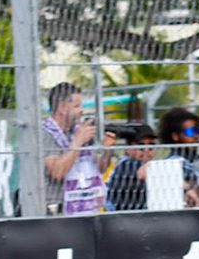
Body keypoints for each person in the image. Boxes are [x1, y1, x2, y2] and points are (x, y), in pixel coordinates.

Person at [42, 82, 105, 215]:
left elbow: (97, 169)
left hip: (84, 204)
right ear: (62, 108)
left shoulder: (76, 131)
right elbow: (57, 171)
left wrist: (108, 150)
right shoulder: (45, 133)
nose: (82, 110)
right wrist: (78, 141)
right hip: (55, 208)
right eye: (77, 106)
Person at [158, 107, 199, 208]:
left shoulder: (190, 163)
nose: (196, 136)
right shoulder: (177, 163)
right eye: (190, 131)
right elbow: (198, 195)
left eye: (198, 131)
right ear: (175, 136)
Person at [104, 125, 156, 211]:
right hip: (122, 215)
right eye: (141, 146)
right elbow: (143, 173)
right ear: (128, 148)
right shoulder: (126, 164)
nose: (146, 150)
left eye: (151, 146)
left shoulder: (146, 163)